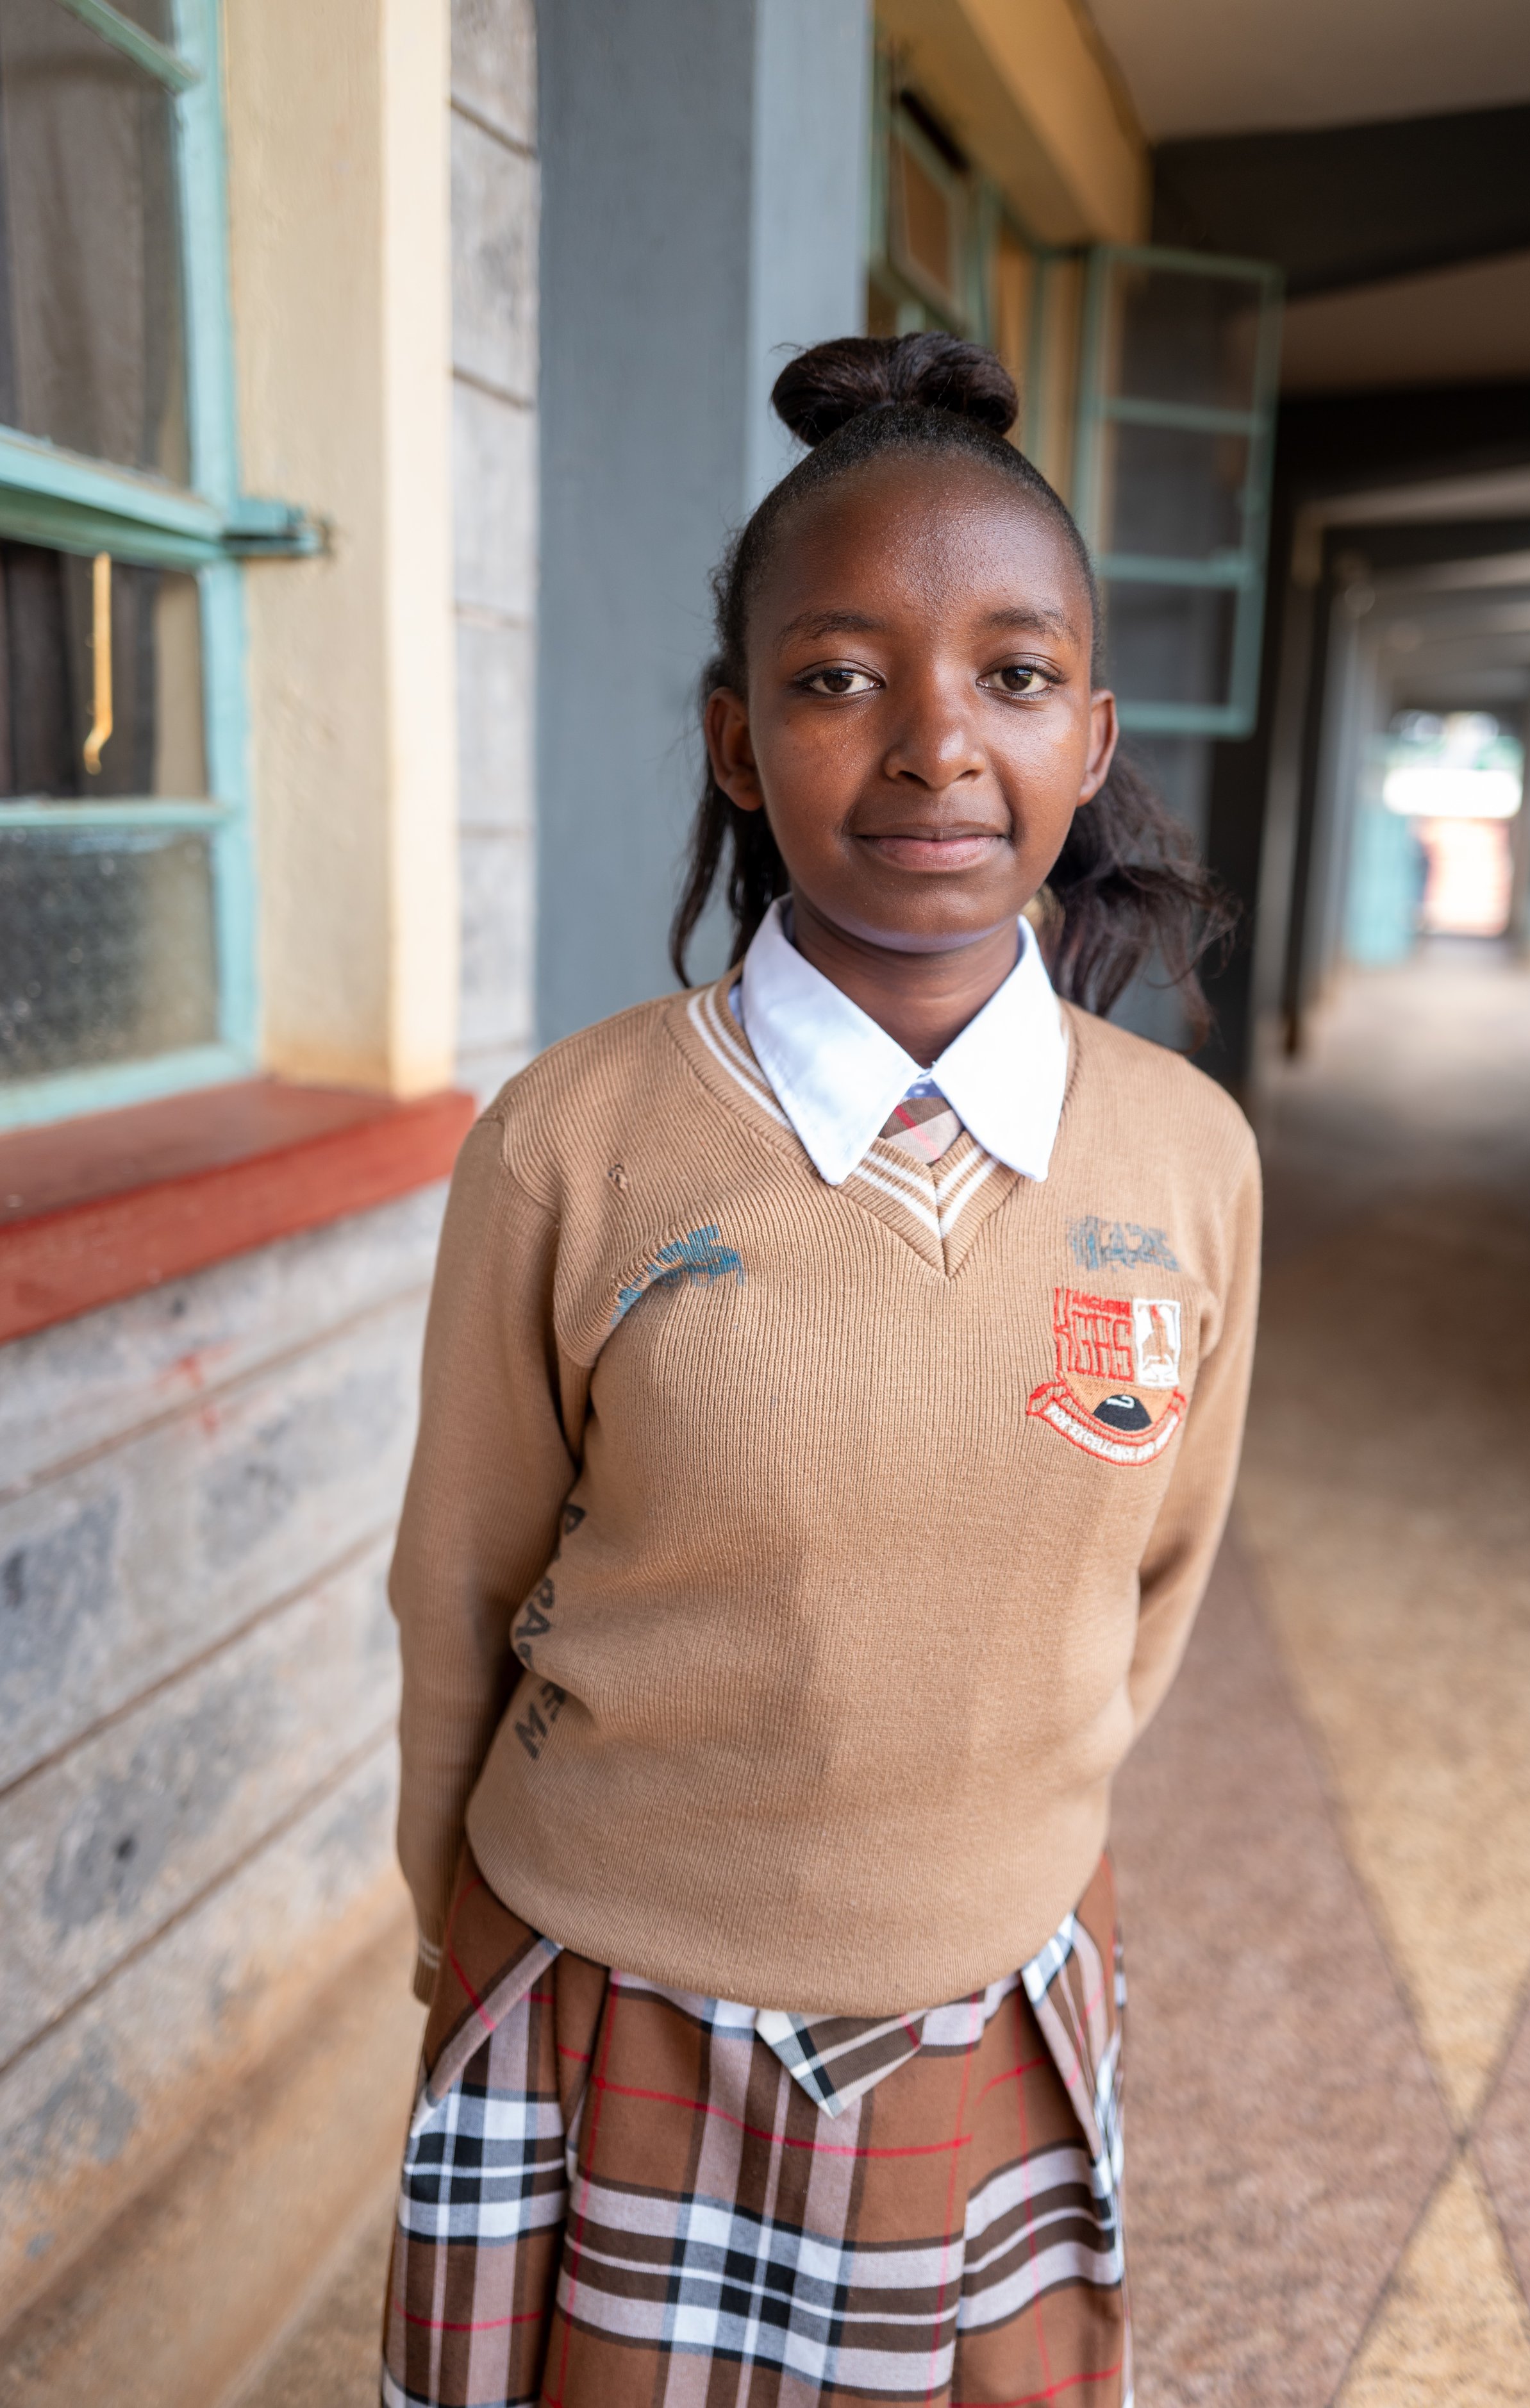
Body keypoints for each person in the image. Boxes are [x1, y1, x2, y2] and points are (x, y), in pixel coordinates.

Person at [382, 333, 1260, 2408]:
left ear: (1091, 731)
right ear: (732, 736)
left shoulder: (1183, 1158)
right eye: (839, 674)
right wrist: (463, 1936)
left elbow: (1153, 1587)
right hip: (618, 1997)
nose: (933, 744)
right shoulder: (573, 1142)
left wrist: (974, 1839)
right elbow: (460, 1591)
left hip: (993, 1979)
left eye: (1012, 675)